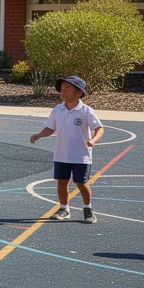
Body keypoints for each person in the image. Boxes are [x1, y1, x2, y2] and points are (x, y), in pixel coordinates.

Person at [30, 75, 104, 223]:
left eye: (67, 89)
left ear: (79, 93)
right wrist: (39, 135)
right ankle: (64, 208)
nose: (63, 92)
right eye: (62, 89)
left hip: (80, 155)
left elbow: (99, 128)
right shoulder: (58, 110)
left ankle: (88, 208)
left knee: (81, 182)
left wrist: (93, 140)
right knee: (61, 182)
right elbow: (50, 128)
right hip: (61, 154)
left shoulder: (86, 111)